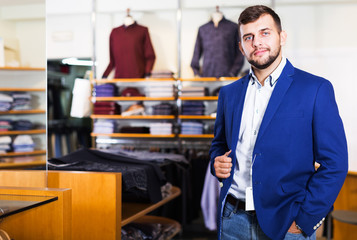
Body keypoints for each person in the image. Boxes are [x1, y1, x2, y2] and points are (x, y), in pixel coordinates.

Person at [209, 5, 348, 240]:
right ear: (241, 47)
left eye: (265, 33)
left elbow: (334, 164)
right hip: (232, 218)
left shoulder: (315, 89)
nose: (257, 42)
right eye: (248, 37)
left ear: (282, 37)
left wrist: (305, 221)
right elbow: (219, 144)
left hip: (287, 223)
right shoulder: (229, 94)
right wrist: (217, 161)